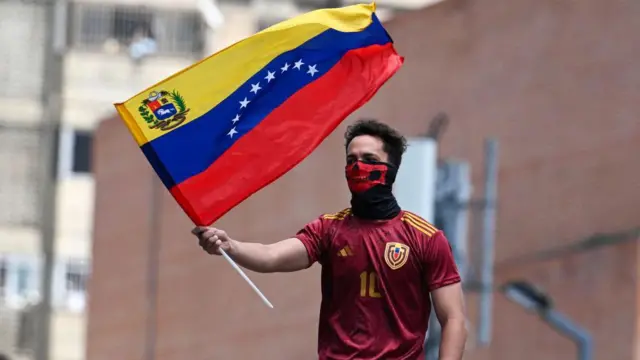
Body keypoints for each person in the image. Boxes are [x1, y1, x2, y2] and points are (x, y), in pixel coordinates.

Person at [192, 119, 467, 360]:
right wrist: (230, 246)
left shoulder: (425, 238)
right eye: (351, 160)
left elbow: (453, 318)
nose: (358, 167)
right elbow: (271, 255)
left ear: (391, 169)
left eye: (369, 160)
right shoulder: (328, 229)